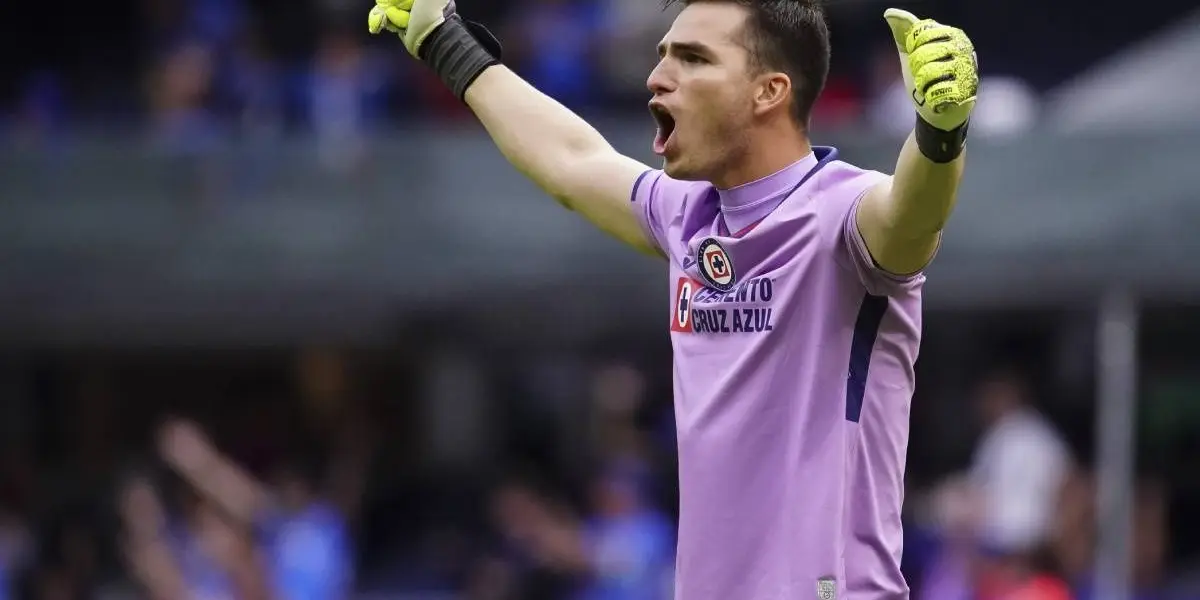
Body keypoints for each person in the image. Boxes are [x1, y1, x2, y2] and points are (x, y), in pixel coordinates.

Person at [367, 0, 979, 598]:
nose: (657, 77)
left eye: (693, 58)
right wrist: (444, 39)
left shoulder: (843, 212)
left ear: (769, 91)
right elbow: (571, 159)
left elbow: (911, 216)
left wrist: (939, 133)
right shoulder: (687, 213)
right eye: (663, 56)